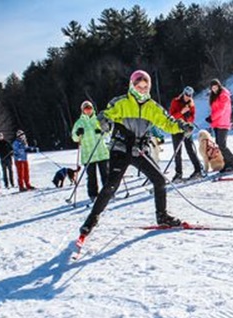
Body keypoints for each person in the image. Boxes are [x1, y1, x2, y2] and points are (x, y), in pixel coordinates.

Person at [78, 69, 194, 241]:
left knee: (159, 180)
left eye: (145, 87)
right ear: (132, 86)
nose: (142, 90)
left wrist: (182, 126)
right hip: (121, 149)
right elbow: (105, 115)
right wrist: (104, 122)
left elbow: (167, 122)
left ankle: (162, 215)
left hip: (140, 150)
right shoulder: (121, 102)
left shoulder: (152, 107)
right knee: (111, 185)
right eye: (138, 86)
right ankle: (91, 220)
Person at [71, 100, 110, 202]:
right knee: (91, 176)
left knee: (105, 174)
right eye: (86, 109)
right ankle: (93, 195)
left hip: (101, 152)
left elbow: (107, 133)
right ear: (83, 110)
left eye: (89, 108)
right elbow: (75, 138)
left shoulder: (98, 120)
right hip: (88, 154)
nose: (88, 110)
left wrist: (103, 130)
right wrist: (78, 133)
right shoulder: (79, 123)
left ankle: (108, 193)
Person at [169, 86, 202, 181]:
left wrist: (187, 118)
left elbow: (192, 118)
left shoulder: (191, 104)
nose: (188, 97)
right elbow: (172, 116)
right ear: (183, 93)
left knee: (190, 150)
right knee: (177, 152)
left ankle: (198, 170)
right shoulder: (175, 101)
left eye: (190, 95)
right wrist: (181, 112)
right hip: (176, 129)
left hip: (186, 129)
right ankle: (178, 173)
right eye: (187, 95)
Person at [207, 78, 233, 172]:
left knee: (222, 144)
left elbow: (222, 109)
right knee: (219, 144)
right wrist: (211, 117)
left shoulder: (223, 94)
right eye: (212, 88)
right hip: (217, 123)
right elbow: (215, 109)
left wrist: (212, 118)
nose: (214, 89)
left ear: (219, 85)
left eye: (215, 87)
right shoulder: (215, 95)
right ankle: (227, 163)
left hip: (223, 122)